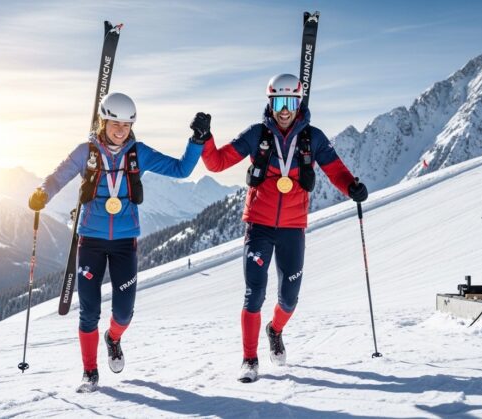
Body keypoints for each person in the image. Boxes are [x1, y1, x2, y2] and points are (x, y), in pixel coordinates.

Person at [192, 73, 368, 383]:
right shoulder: (256, 134)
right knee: (254, 294)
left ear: (298, 103)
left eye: (290, 102)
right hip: (258, 226)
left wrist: (351, 186)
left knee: (289, 298)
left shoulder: (313, 138)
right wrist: (205, 139)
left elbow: (335, 170)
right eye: (278, 102)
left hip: (292, 228)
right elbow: (217, 163)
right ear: (270, 102)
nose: (284, 110)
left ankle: (275, 330)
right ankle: (249, 359)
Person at [27, 92, 205, 392]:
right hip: (91, 241)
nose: (121, 130)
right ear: (103, 121)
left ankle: (113, 337)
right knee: (89, 311)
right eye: (115, 123)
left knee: (123, 312)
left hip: (125, 243)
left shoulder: (139, 153)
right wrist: (43, 193)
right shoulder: (86, 152)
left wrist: (197, 140)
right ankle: (89, 371)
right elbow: (58, 177)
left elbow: (181, 170)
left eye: (127, 124)